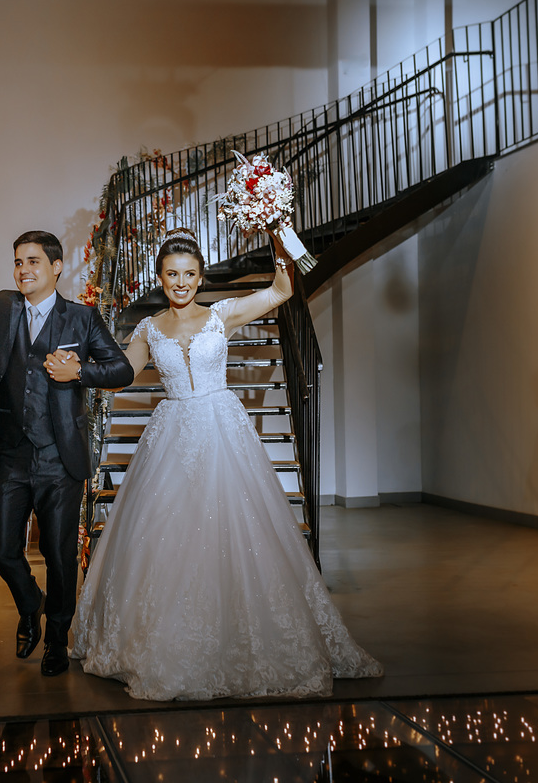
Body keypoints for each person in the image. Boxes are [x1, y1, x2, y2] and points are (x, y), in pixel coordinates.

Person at [69, 227, 381, 700]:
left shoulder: (222, 315)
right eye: (172, 274)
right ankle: (170, 641)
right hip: (172, 432)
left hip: (222, 430)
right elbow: (124, 375)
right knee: (169, 538)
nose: (181, 282)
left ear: (200, 276)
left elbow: (281, 291)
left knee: (236, 530)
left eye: (190, 274)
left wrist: (281, 252)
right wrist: (81, 372)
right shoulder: (149, 329)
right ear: (159, 276)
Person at [0, 223, 134, 677]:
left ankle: (56, 638)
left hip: (61, 459)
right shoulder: (1, 308)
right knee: (0, 548)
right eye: (18, 262)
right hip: (11, 455)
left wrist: (80, 372)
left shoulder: (81, 318)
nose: (23, 270)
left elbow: (121, 369)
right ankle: (29, 602)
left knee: (59, 556)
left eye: (33, 261)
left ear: (56, 267)